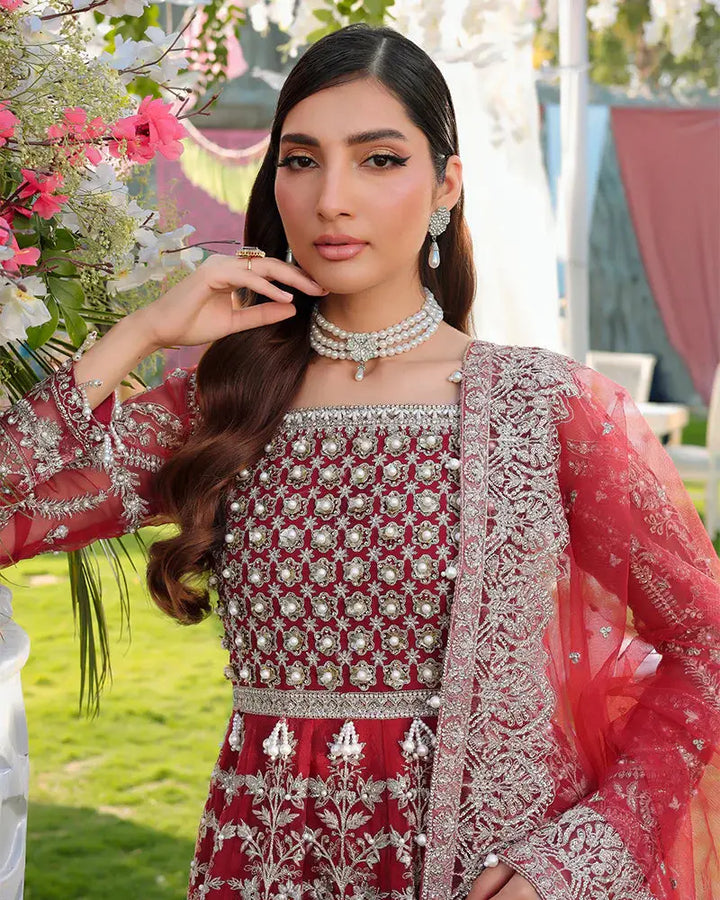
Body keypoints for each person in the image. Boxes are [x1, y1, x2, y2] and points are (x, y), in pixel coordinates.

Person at [1, 22, 718, 900]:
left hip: (475, 874)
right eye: (301, 161)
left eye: (378, 160)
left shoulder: (544, 408)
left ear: (446, 183)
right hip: (258, 867)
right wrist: (141, 334)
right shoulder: (224, 405)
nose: (332, 198)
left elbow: (707, 649)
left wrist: (575, 863)